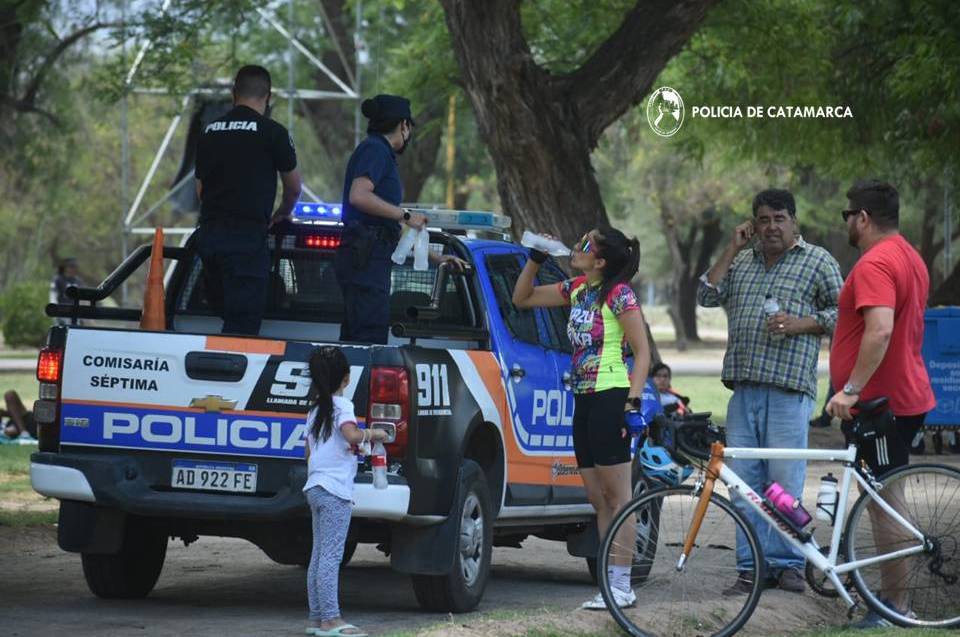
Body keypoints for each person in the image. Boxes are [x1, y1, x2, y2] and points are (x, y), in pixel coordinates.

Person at [698, 189, 842, 595]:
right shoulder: (742, 261)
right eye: (764, 219)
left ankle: (789, 564)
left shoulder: (817, 261)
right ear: (753, 224)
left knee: (784, 484)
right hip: (743, 390)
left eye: (780, 219)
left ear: (794, 222)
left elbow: (845, 311)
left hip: (788, 390)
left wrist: (801, 323)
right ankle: (751, 566)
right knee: (743, 483)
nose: (772, 227)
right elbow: (706, 294)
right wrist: (730, 249)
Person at [512, 226, 651, 610]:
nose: (577, 247)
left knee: (618, 497)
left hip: (611, 396)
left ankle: (622, 585)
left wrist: (633, 402)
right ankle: (611, 586)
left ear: (601, 261)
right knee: (598, 498)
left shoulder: (619, 295)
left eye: (586, 245)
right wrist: (536, 257)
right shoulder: (577, 289)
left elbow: (642, 354)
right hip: (583, 398)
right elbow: (522, 298)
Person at [825, 180, 935, 628]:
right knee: (883, 498)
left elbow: (881, 330)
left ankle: (894, 607)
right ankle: (890, 599)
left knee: (884, 501)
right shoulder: (909, 255)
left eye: (847, 216)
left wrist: (850, 389)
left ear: (863, 218)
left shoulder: (875, 262)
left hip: (880, 407)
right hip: (900, 396)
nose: (847, 223)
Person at [334, 94, 464, 344]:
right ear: (403, 125)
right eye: (409, 127)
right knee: (367, 341)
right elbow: (359, 196)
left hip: (370, 253)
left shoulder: (378, 152)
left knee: (360, 337)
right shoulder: (375, 149)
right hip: (366, 259)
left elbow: (385, 230)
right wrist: (406, 215)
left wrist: (437, 258)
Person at [194, 64, 302, 335]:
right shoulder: (274, 133)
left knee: (223, 310)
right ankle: (227, 370)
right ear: (268, 96)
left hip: (209, 238)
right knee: (241, 327)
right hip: (246, 238)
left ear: (234, 94)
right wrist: (282, 213)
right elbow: (293, 188)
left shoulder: (209, 132)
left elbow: (200, 190)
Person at [303, 346, 389, 637]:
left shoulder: (315, 410)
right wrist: (373, 435)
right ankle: (331, 619)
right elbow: (351, 434)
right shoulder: (343, 406)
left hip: (314, 486)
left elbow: (311, 451)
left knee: (318, 555)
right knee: (331, 555)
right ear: (346, 378)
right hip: (335, 490)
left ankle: (316, 618)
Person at [50, 258, 83, 326]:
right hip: (62, 311)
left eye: (74, 267)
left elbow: (83, 298)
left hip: (75, 312)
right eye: (70, 267)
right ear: (65, 267)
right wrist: (54, 309)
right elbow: (53, 295)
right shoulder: (58, 279)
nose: (72, 269)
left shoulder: (78, 281)